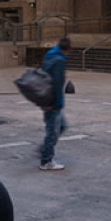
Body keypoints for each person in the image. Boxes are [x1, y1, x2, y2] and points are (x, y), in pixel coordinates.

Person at [38, 36, 71, 171]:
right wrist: (55, 103)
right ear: (67, 50)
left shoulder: (51, 55)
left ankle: (45, 150)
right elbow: (57, 84)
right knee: (53, 130)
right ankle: (46, 160)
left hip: (47, 99)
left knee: (61, 126)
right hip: (53, 102)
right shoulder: (59, 61)